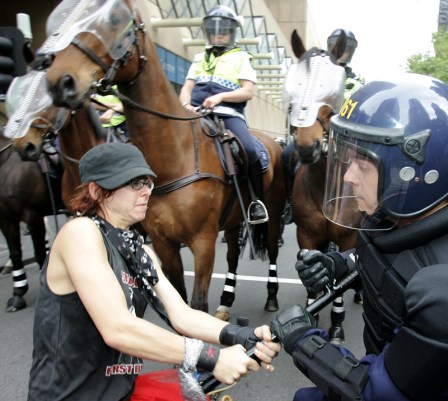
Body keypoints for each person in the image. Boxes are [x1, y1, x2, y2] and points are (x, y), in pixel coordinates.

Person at [270, 74, 448, 401]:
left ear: (415, 173)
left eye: (362, 165)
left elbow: (376, 393)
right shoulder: (399, 211)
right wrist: (338, 264)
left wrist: (304, 340)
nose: (348, 177)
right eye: (347, 159)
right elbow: (392, 257)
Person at [27, 141, 281, 400]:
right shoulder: (81, 233)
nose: (147, 191)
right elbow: (118, 328)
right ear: (96, 191)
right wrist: (212, 357)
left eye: (147, 182)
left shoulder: (140, 249)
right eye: (134, 183)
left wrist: (241, 335)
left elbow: (181, 315)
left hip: (119, 392)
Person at [179, 5, 268, 224]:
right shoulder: (200, 58)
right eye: (214, 29)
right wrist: (185, 105)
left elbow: (247, 91)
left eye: (224, 30)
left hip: (228, 115)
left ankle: (256, 202)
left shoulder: (242, 58)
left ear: (232, 32)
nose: (219, 34)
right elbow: (186, 89)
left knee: (248, 149)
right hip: (197, 114)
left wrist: (220, 97)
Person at [282, 28, 366, 223]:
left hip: (347, 133)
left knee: (371, 164)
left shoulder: (357, 80)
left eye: (347, 48)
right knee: (286, 155)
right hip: (321, 130)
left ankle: (370, 208)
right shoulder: (316, 78)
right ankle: (288, 203)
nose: (344, 52)